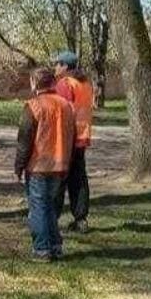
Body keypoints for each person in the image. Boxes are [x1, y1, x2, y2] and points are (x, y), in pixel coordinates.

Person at [15, 68, 76, 261]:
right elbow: (72, 136)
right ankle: (55, 245)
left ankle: (41, 248)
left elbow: (24, 140)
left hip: (39, 165)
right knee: (50, 207)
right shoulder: (66, 106)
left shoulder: (33, 106)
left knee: (39, 208)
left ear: (34, 83)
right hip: (61, 164)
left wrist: (19, 166)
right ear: (52, 83)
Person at [53, 51, 94, 233]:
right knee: (78, 179)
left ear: (65, 66)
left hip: (66, 137)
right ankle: (81, 218)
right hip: (82, 137)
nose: (55, 67)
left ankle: (52, 218)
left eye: (57, 63)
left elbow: (63, 111)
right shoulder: (85, 83)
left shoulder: (65, 84)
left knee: (58, 178)